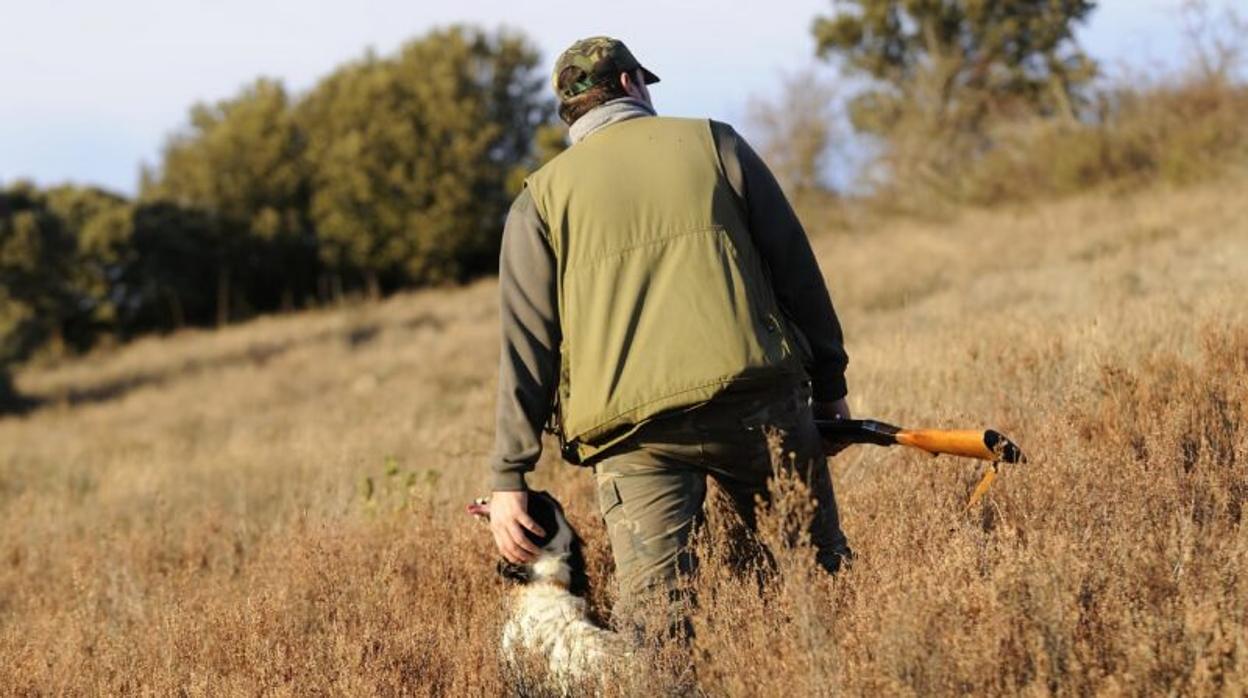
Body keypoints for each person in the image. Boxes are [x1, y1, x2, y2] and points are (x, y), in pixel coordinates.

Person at [486, 36, 853, 633]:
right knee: (818, 578)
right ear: (632, 84)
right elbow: (796, 272)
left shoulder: (539, 202)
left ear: (570, 113)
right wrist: (830, 386)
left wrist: (509, 477)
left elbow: (525, 349)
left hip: (635, 439)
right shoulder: (716, 142)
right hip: (758, 404)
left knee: (657, 623)